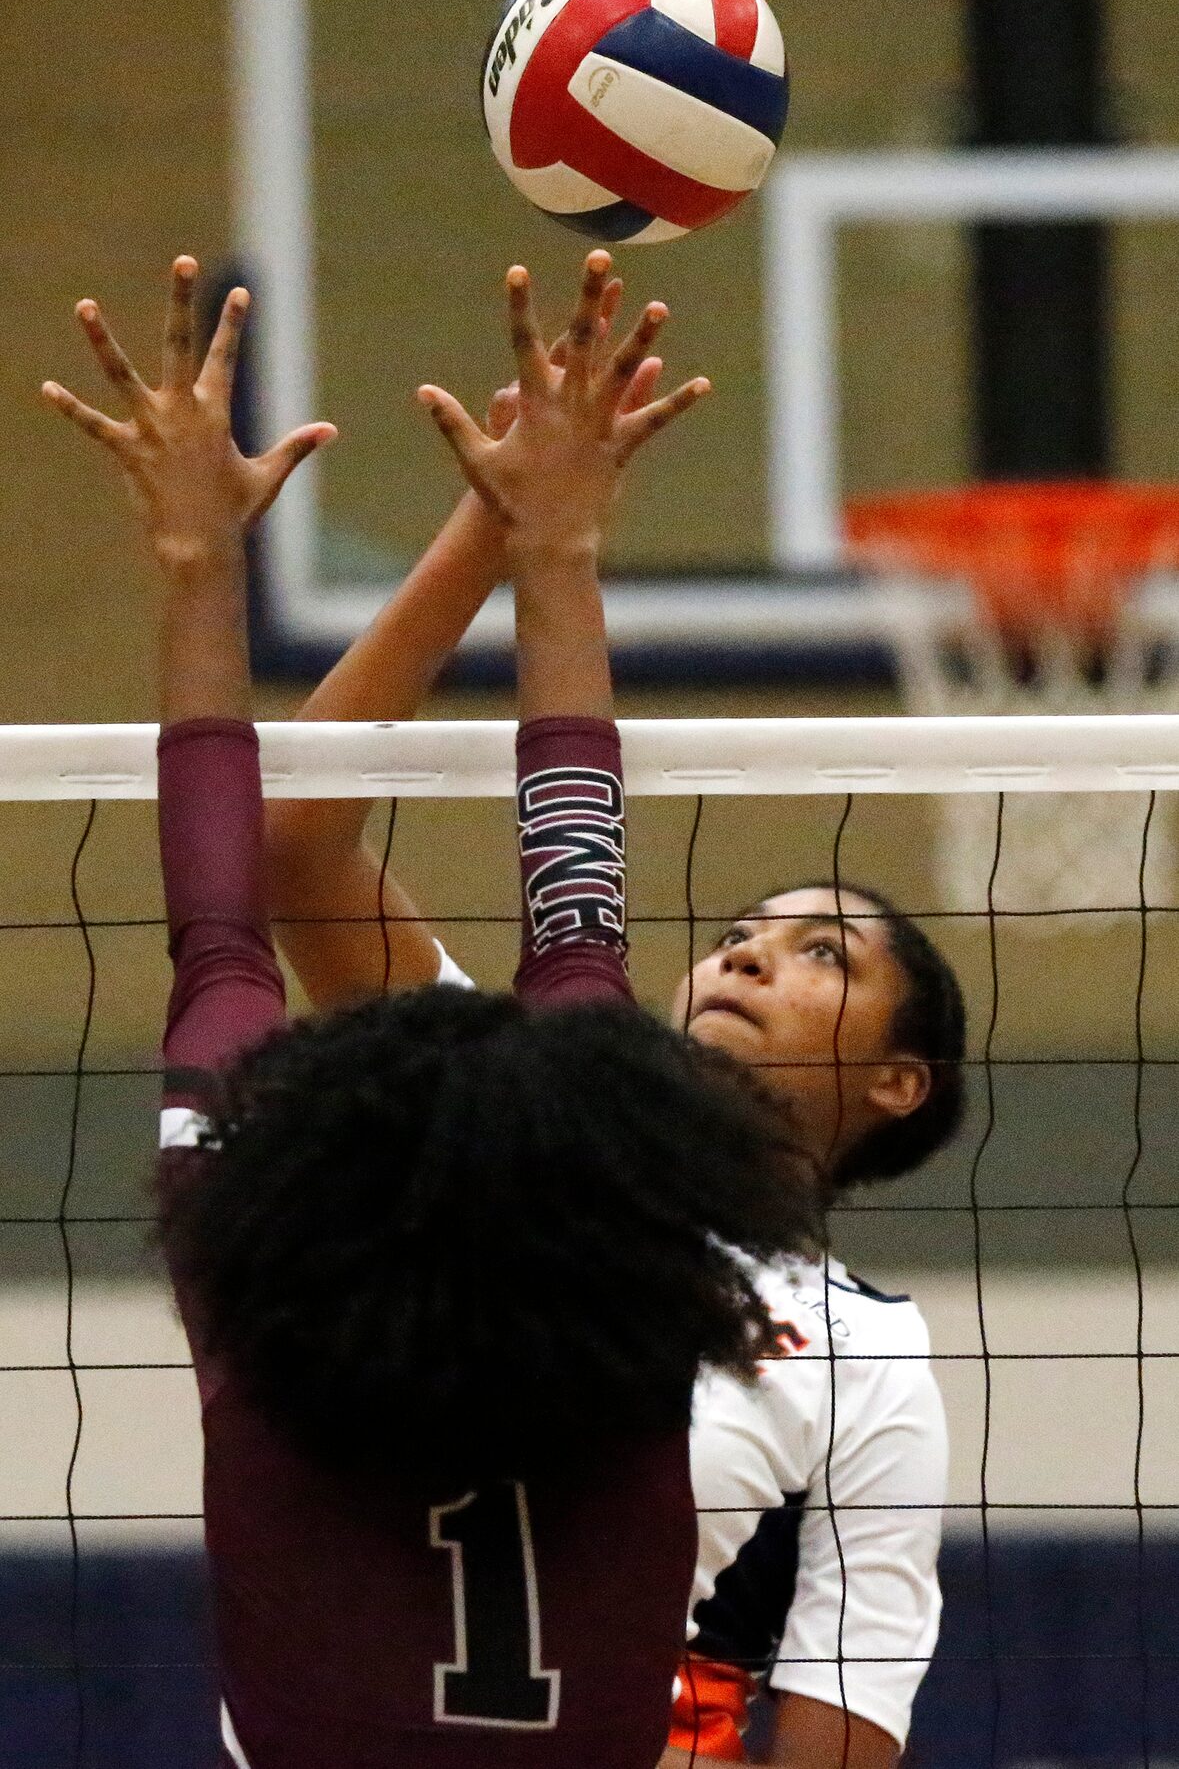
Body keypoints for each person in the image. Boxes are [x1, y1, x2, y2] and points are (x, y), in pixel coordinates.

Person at [43, 251, 823, 1769]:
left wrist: (202, 566)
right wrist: (563, 546)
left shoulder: (261, 1327)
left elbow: (247, 935)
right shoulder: (632, 1296)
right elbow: (567, 907)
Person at [259, 299, 967, 1767]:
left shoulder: (865, 1359)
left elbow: (841, 1730)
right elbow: (297, 845)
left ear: (899, 1081)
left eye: (822, 951)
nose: (750, 954)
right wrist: (498, 534)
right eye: (744, 931)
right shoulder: (522, 1118)